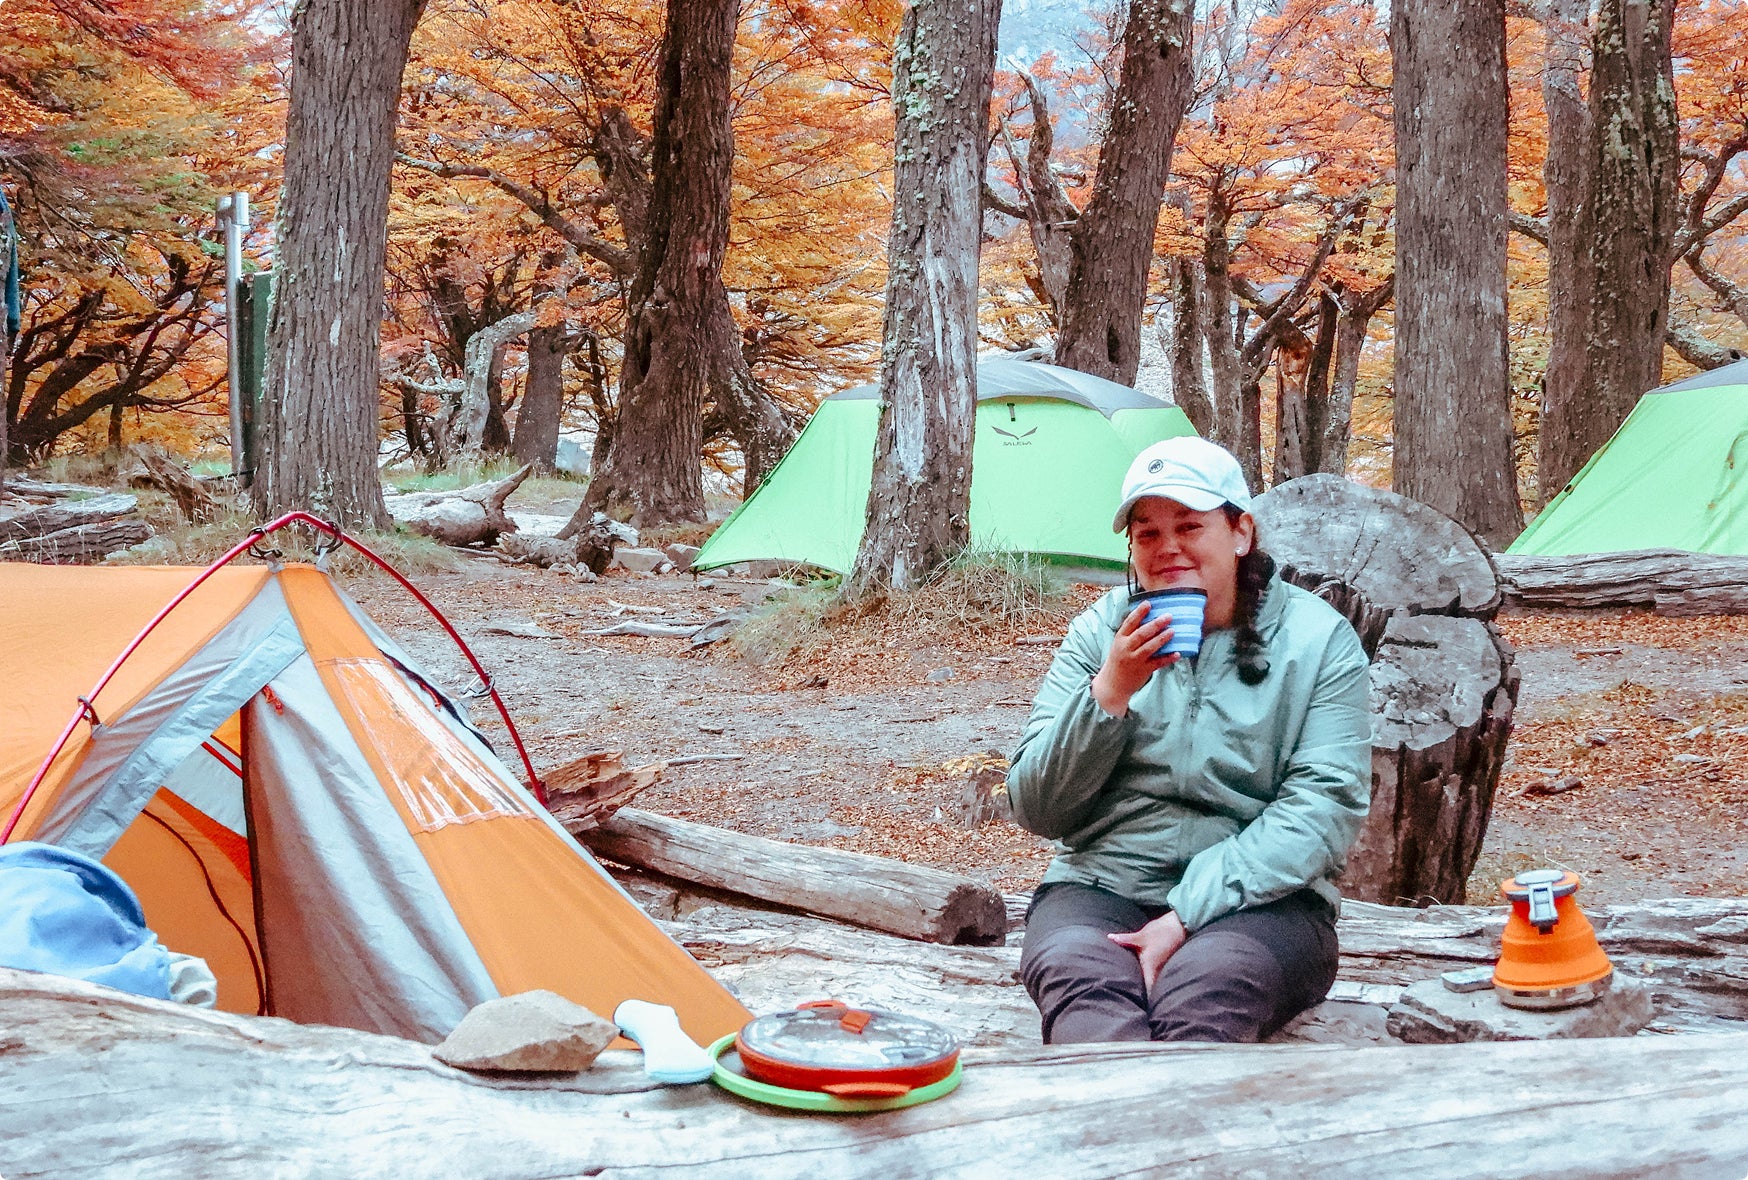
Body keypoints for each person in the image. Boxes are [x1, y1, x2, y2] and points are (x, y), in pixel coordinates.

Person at [1008, 436, 1371, 1044]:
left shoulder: (1317, 641)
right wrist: (1110, 693)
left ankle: (1181, 1134)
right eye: (1147, 533)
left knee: (1212, 991)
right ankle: (1122, 1131)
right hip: (1102, 884)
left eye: (1189, 526)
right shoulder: (1100, 632)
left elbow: (1323, 808)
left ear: (1240, 532)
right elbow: (1037, 808)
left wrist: (1183, 917)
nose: (1167, 547)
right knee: (1081, 980)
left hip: (1262, 902)